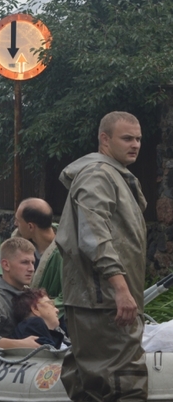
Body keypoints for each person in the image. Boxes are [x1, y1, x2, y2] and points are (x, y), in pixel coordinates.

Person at [55, 111, 148, 401]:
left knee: (92, 384)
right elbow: (94, 237)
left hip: (100, 301)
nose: (135, 144)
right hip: (102, 302)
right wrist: (121, 289)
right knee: (122, 385)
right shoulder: (99, 174)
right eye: (127, 138)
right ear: (104, 139)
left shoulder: (113, 174)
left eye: (138, 139)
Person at [14, 198, 63, 301]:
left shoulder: (64, 253)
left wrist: (38, 307)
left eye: (18, 220)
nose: (15, 224)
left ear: (30, 226)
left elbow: (67, 297)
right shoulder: (17, 244)